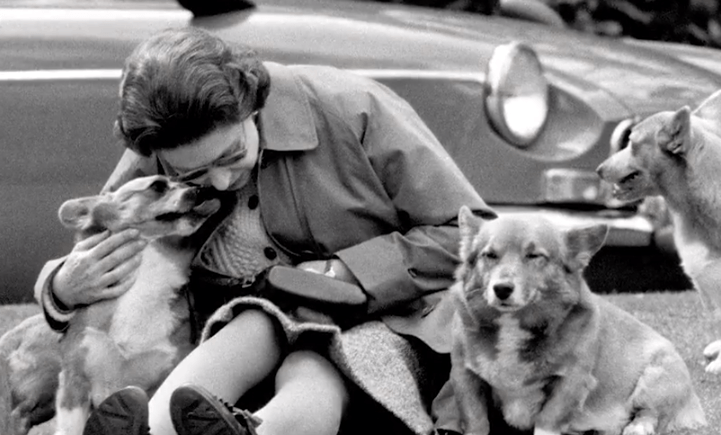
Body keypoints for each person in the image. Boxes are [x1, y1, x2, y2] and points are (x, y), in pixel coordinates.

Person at [33, 27, 494, 435]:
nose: (217, 182)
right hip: (242, 328)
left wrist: (345, 272)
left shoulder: (353, 109)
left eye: (231, 156)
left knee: (313, 362)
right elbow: (98, 239)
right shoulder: (164, 143)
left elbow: (472, 237)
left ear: (251, 102)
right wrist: (60, 287)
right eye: (193, 174)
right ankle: (156, 426)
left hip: (386, 320)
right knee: (257, 321)